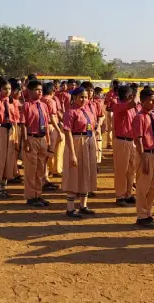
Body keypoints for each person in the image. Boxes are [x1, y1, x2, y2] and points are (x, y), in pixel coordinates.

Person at [62, 87, 97, 218]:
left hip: (88, 141)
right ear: (74, 98)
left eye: (86, 97)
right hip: (76, 142)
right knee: (74, 173)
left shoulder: (88, 110)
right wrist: (72, 153)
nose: (84, 99)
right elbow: (67, 132)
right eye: (81, 97)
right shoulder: (70, 112)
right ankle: (70, 208)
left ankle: (83, 205)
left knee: (86, 172)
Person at [133, 88, 154, 228]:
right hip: (145, 153)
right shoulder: (140, 117)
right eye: (151, 100)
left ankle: (148, 213)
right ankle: (141, 216)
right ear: (143, 101)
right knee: (142, 187)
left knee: (152, 187)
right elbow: (138, 139)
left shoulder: (152, 116)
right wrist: (143, 158)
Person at [0, 79, 21, 198]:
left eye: (9, 89)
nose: (7, 91)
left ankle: (4, 187)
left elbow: (15, 121)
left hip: (10, 131)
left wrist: (16, 137)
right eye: (5, 89)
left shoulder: (13, 103)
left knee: (8, 159)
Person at [21, 80, 53, 207]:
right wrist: (25, 141)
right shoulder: (26, 106)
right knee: (31, 169)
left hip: (42, 139)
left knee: (41, 169)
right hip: (31, 138)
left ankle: (38, 194)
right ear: (29, 91)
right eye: (36, 90)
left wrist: (48, 140)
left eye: (41, 90)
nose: (39, 92)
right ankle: (30, 196)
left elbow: (46, 123)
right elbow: (23, 124)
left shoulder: (43, 106)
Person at [112, 85, 138, 207]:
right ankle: (120, 196)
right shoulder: (118, 105)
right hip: (122, 140)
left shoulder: (131, 107)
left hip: (131, 140)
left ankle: (128, 193)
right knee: (121, 170)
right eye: (130, 94)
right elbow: (132, 104)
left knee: (131, 170)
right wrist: (136, 94)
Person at [41, 82, 63, 191]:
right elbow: (53, 117)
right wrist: (59, 131)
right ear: (52, 91)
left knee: (43, 155)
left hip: (41, 129)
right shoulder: (51, 101)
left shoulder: (40, 100)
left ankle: (43, 178)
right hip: (50, 128)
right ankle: (43, 179)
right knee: (47, 154)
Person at [82, 81, 105, 170]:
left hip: (94, 130)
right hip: (83, 132)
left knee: (95, 149)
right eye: (87, 90)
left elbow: (101, 116)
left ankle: (94, 164)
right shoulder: (80, 104)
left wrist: (99, 126)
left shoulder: (96, 104)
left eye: (91, 90)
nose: (89, 93)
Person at [104, 80, 120, 148]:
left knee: (112, 128)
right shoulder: (113, 93)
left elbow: (105, 102)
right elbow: (105, 102)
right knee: (112, 128)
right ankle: (111, 143)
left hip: (114, 111)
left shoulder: (110, 93)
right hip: (112, 111)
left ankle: (110, 143)